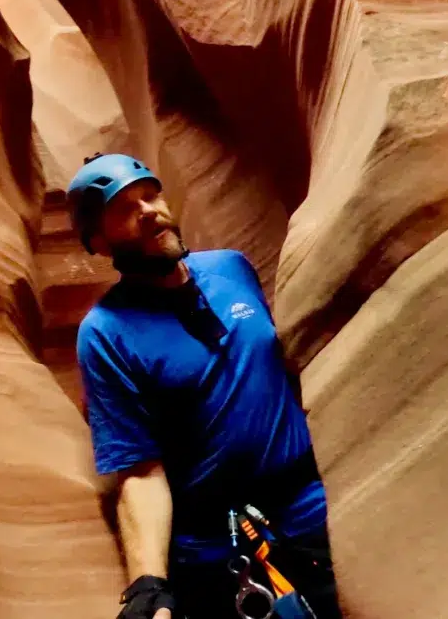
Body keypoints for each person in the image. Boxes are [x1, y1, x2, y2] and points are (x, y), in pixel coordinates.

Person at [69, 153, 342, 619]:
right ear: (98, 240)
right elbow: (139, 471)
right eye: (124, 208)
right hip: (214, 552)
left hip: (308, 513)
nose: (148, 211)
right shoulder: (105, 333)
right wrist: (148, 586)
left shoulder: (232, 269)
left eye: (150, 195)